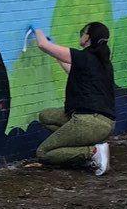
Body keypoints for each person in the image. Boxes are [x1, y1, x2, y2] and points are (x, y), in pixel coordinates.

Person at [34, 22, 116, 175]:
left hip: (89, 121)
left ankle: (91, 152)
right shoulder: (102, 63)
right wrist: (57, 56)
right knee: (45, 117)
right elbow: (71, 70)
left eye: (83, 32)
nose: (81, 35)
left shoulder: (85, 57)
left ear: (88, 37)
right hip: (105, 123)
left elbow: (43, 45)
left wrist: (36, 28)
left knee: (43, 153)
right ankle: (92, 146)